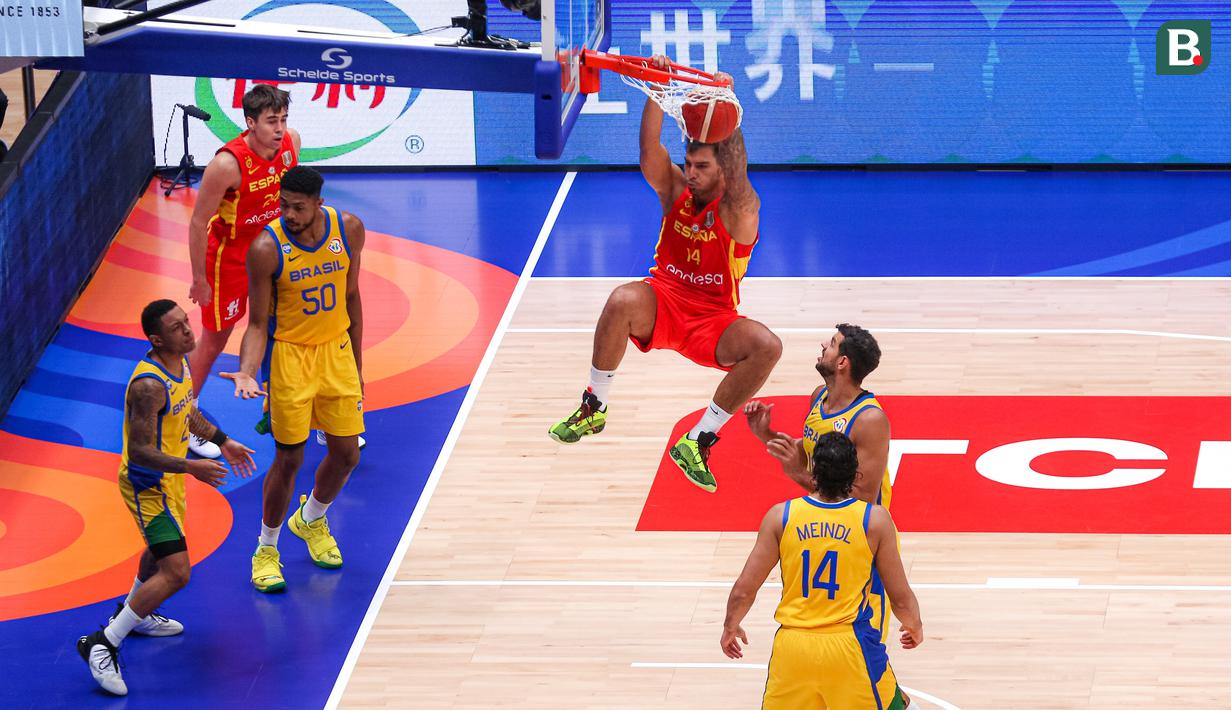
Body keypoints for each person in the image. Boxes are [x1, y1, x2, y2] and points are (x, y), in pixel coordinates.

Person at [548, 55, 781, 493]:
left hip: (713, 318)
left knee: (767, 346)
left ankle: (699, 440)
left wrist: (722, 103)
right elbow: (650, 150)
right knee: (621, 299)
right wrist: (658, 84)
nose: (690, 174)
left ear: (721, 170)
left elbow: (740, 173)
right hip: (664, 302)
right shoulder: (675, 189)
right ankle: (594, 405)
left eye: (702, 167)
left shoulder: (739, 210)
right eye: (689, 164)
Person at [77, 300, 256, 696]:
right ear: (157, 340)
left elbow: (186, 412)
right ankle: (104, 641)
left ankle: (135, 616)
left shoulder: (180, 364)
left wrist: (223, 441)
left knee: (159, 554)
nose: (189, 331)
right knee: (177, 572)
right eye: (177, 328)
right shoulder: (148, 386)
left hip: (167, 482)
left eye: (187, 322)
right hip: (147, 487)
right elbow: (138, 450)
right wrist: (191, 467)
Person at [221, 167, 365, 593]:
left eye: (298, 207)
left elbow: (352, 296)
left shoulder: (350, 229)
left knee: (346, 455)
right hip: (290, 359)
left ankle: (312, 520)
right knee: (289, 460)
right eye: (283, 204)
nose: (288, 213)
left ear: (319, 203)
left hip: (336, 352)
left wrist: (357, 365)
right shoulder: (267, 247)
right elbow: (257, 324)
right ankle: (266, 549)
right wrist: (247, 370)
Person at [721, 432, 922, 709]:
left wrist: (730, 625)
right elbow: (899, 597)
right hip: (850, 647)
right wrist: (915, 625)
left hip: (793, 648)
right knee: (898, 704)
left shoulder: (781, 516)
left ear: (813, 472)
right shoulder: (873, 520)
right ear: (856, 476)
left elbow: (745, 589)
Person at [745, 323, 894, 637]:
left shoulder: (869, 420)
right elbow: (812, 453)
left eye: (833, 343)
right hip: (823, 525)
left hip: (861, 539)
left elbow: (860, 500)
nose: (823, 344)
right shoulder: (818, 398)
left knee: (865, 646)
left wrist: (797, 474)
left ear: (843, 362)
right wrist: (766, 435)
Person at [185, 84, 300, 458]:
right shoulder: (226, 164)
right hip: (229, 260)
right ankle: (186, 415)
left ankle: (297, 409)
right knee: (215, 341)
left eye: (283, 119)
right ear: (250, 123)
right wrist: (199, 279)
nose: (280, 128)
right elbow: (198, 221)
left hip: (273, 252)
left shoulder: (291, 144)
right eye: (271, 121)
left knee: (287, 329)